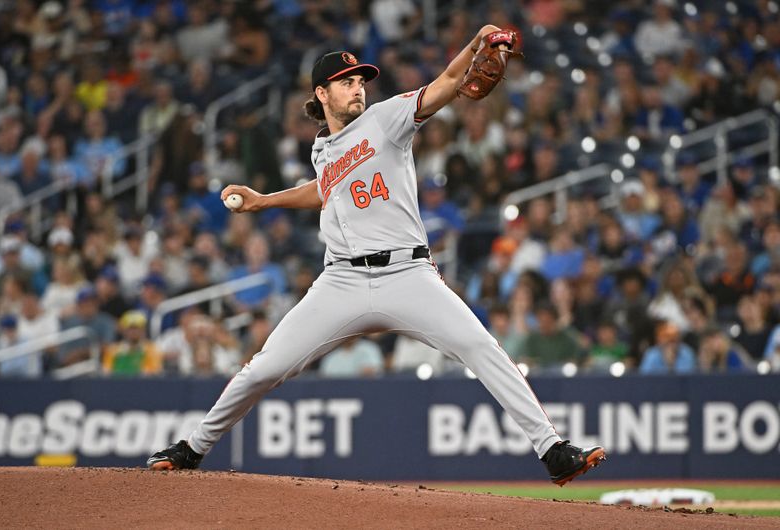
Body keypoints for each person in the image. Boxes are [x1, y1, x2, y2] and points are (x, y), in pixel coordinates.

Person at [147, 29, 606, 484]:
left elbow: (447, 83)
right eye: (347, 82)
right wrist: (264, 201)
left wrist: (472, 47)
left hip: (408, 274)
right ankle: (192, 448)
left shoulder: (387, 118)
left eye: (360, 80)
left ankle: (552, 450)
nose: (357, 87)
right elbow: (324, 190)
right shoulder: (322, 149)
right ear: (321, 93)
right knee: (262, 369)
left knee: (479, 346)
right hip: (340, 282)